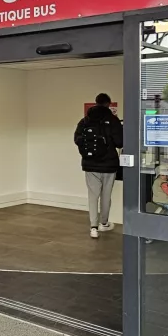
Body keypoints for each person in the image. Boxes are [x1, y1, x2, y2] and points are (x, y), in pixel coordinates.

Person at [74, 93, 123, 239]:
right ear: (108, 104)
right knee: (106, 195)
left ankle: (93, 227)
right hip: (109, 165)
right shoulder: (113, 121)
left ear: (95, 103)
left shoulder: (84, 121)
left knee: (93, 196)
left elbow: (77, 140)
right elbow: (120, 142)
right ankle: (104, 223)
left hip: (90, 165)